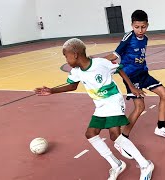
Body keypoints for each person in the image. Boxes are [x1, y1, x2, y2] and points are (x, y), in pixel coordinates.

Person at [34, 38, 154, 180]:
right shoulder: (76, 71)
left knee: (115, 135)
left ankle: (145, 164)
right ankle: (116, 164)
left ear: (75, 54)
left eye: (66, 56)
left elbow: (119, 68)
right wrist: (52, 90)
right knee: (91, 134)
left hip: (113, 100)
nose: (66, 60)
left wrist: (132, 87)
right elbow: (72, 86)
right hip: (100, 105)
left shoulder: (100, 63)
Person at [104, 10, 165, 152]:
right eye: (137, 27)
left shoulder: (145, 38)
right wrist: (93, 62)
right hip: (131, 76)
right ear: (132, 25)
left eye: (143, 27)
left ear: (147, 25)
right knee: (140, 107)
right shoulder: (128, 38)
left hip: (143, 73)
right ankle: (123, 139)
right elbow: (115, 55)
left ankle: (161, 127)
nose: (140, 30)